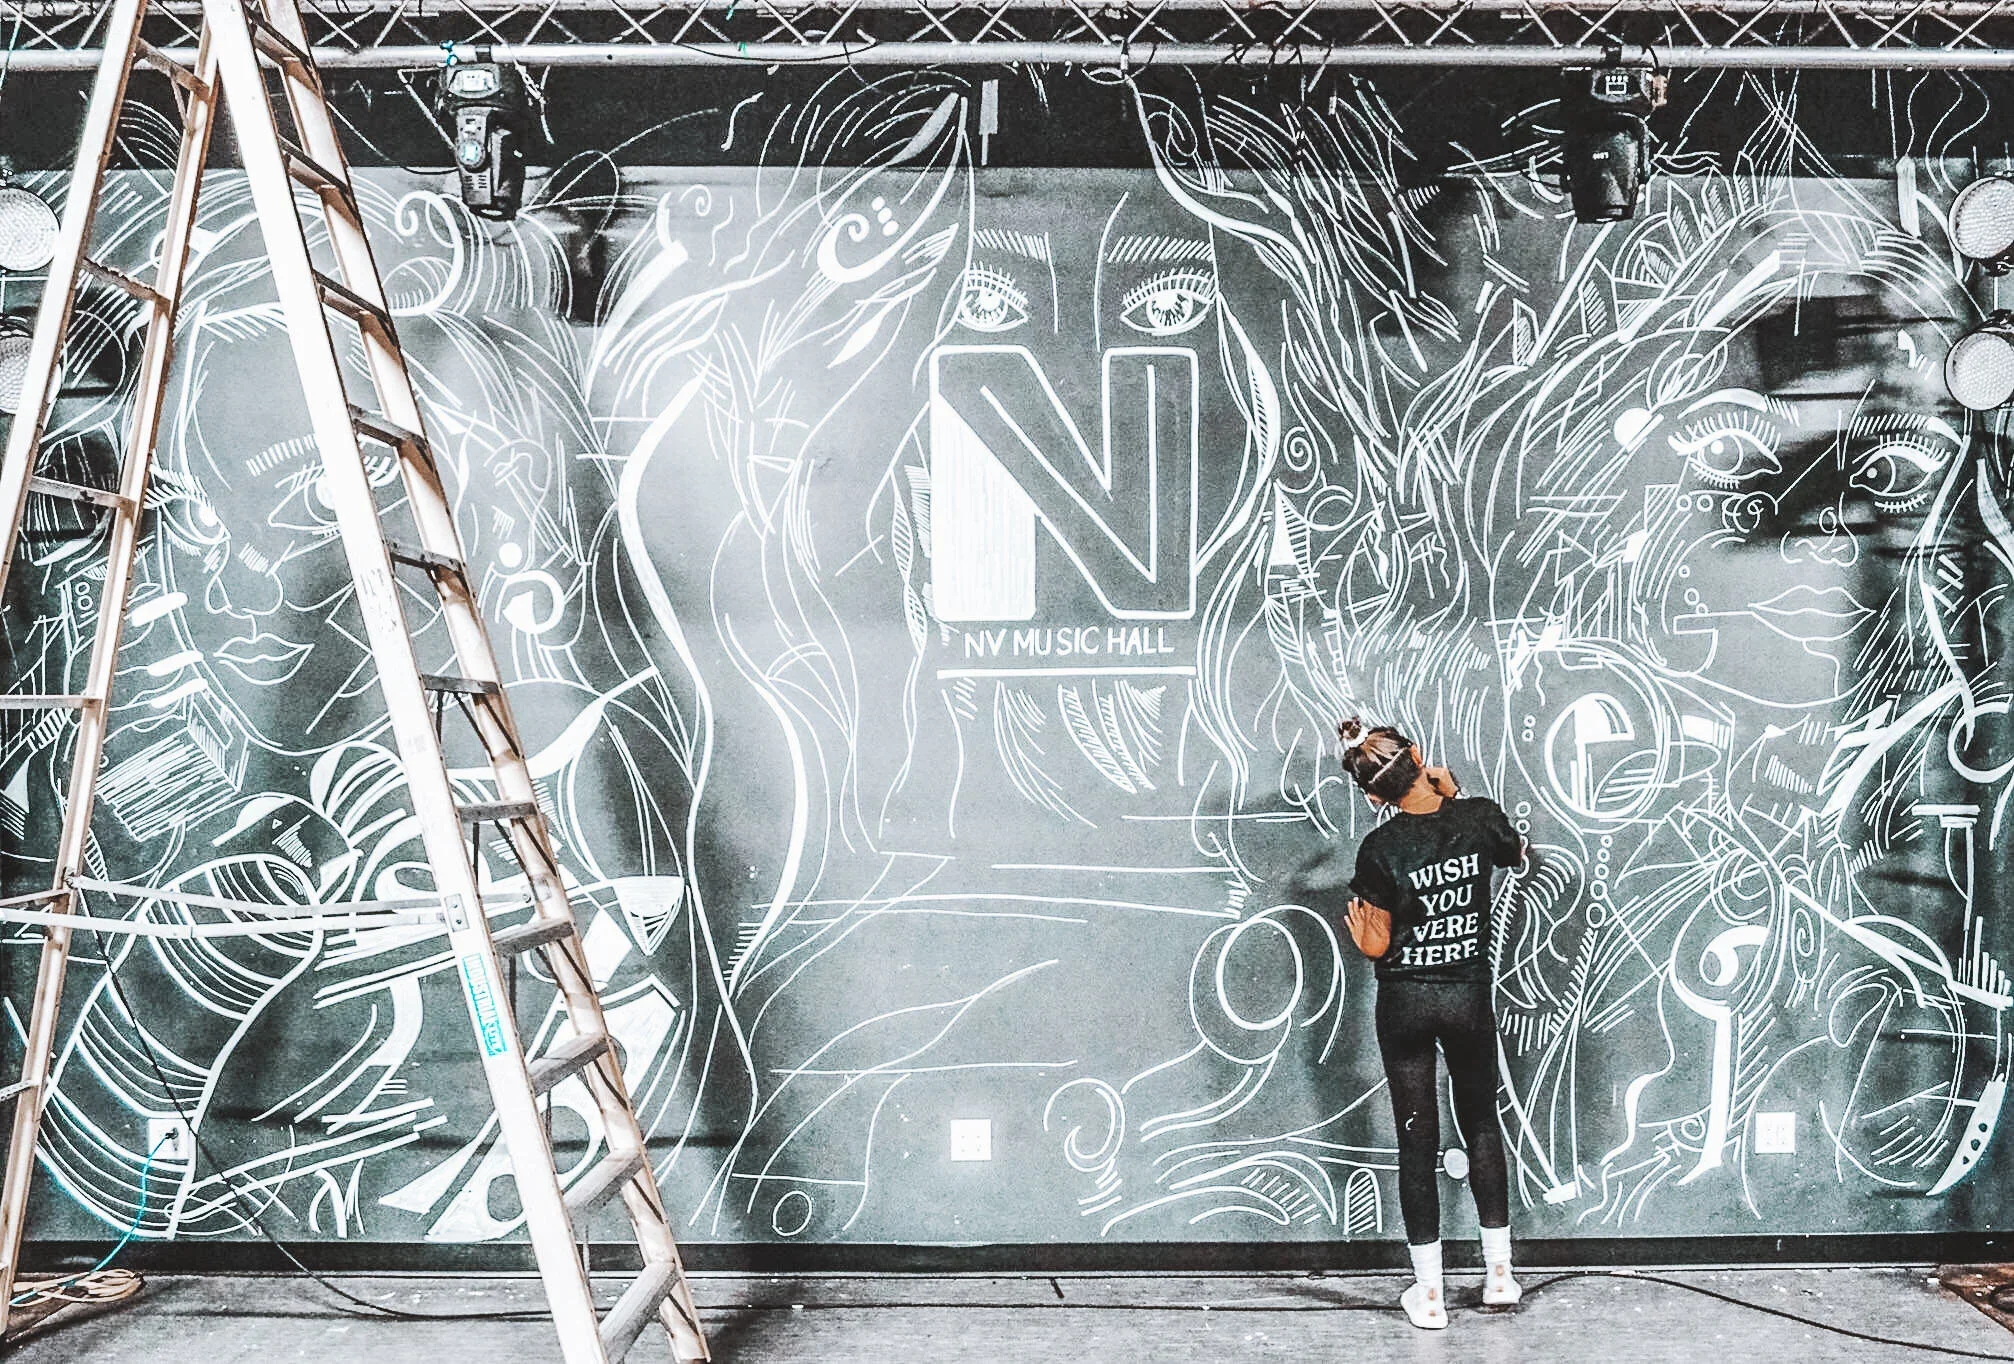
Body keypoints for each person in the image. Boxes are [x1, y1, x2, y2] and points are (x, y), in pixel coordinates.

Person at [1334, 715, 1525, 1329]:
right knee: (1481, 1126)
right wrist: (1455, 792)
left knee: (1417, 1143)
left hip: (1406, 1006)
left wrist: (1363, 937)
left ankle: (1431, 1297)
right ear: (1419, 755)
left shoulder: (1380, 848)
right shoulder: (1479, 817)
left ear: (1371, 795)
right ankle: (1499, 1276)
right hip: (1467, 999)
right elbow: (1519, 855)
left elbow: (1375, 941)